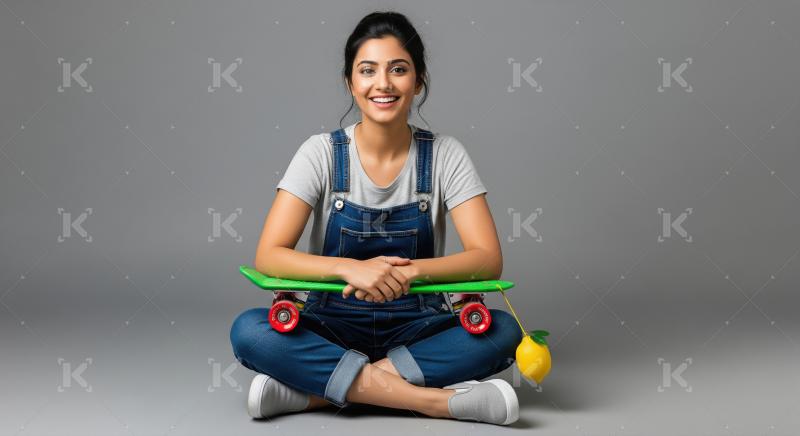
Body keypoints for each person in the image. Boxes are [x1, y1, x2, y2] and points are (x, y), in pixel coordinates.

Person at [230, 11, 522, 426]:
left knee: (504, 331)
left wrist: (410, 273)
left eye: (398, 70)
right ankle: (434, 402)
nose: (382, 84)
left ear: (417, 81)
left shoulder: (445, 154)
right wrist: (351, 269)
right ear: (351, 82)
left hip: (418, 324)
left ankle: (315, 394)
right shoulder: (321, 153)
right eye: (367, 71)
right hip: (330, 322)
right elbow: (269, 255)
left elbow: (488, 259)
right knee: (250, 330)